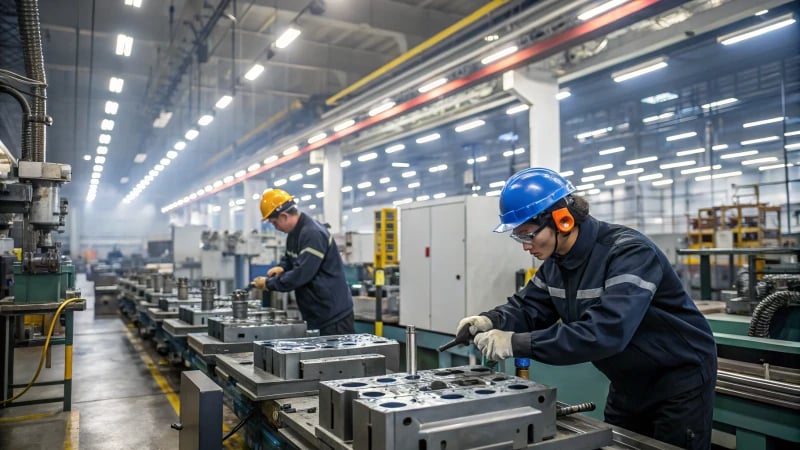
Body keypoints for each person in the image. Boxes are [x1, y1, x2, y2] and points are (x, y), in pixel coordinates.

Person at [458, 167, 717, 450]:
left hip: (676, 381)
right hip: (626, 380)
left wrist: (515, 342)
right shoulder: (557, 265)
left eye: (528, 235)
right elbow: (528, 307)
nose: (526, 247)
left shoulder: (628, 253)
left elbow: (605, 331)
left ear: (563, 220)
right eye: (519, 237)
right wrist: (490, 320)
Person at [252, 189, 355, 335]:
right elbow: (289, 259)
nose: (276, 228)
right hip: (316, 314)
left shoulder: (312, 233)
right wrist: (281, 268)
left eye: (274, 223)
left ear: (284, 216)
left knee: (334, 357)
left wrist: (269, 284)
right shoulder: (294, 233)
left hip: (333, 317)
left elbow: (301, 274)